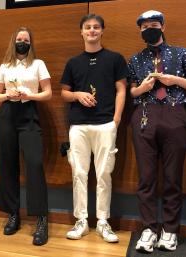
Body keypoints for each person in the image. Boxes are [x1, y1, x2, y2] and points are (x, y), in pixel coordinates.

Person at [129, 10, 186, 253]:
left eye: (154, 24)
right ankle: (148, 229)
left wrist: (174, 81)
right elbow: (130, 92)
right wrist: (142, 88)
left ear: (162, 26)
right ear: (140, 30)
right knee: (146, 177)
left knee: (172, 176)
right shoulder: (135, 59)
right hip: (144, 115)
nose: (149, 28)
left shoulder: (182, 53)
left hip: (174, 114)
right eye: (144, 26)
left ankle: (170, 230)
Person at [60, 14, 127, 243]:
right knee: (78, 173)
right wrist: (77, 95)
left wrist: (116, 120)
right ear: (81, 32)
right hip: (78, 126)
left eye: (96, 27)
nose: (91, 31)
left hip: (106, 125)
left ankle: (102, 222)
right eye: (87, 27)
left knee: (104, 174)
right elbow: (64, 93)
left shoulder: (115, 59)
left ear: (102, 31)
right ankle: (81, 221)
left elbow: (121, 90)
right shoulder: (73, 62)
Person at [0, 27, 52, 246]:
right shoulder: (4, 66)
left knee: (34, 164)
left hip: (29, 114)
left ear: (30, 43)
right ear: (13, 41)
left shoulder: (38, 64)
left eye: (26, 40)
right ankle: (13, 214)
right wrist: (6, 94)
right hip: (7, 114)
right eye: (19, 39)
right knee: (7, 164)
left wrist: (30, 95)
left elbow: (48, 92)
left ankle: (41, 218)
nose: (22, 42)